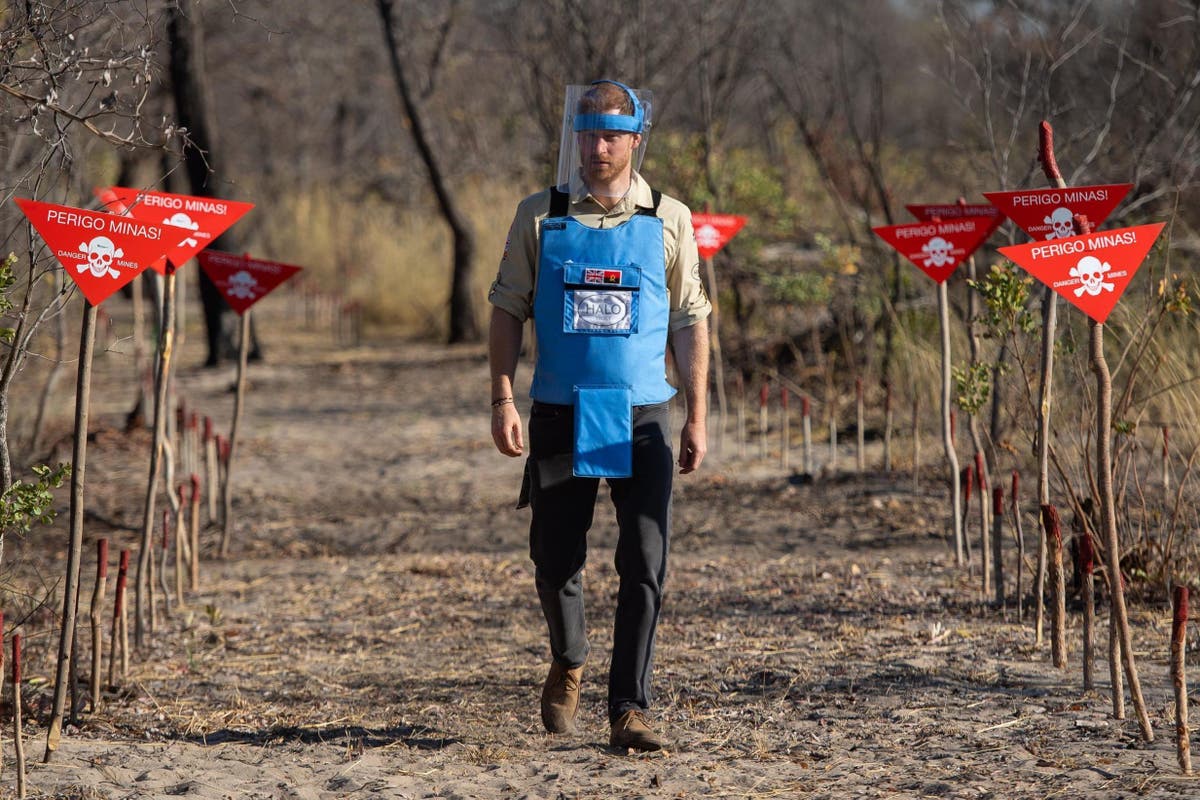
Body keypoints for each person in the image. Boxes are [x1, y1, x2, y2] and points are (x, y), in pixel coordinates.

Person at [487, 79, 710, 752]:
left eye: (611, 135)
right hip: (561, 409)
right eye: (586, 135)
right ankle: (570, 658)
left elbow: (691, 318)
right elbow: (506, 309)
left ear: (637, 139)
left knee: (645, 558)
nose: (596, 147)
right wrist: (502, 396)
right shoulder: (540, 215)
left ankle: (628, 708)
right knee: (556, 559)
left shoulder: (669, 217)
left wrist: (696, 414)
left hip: (643, 413)